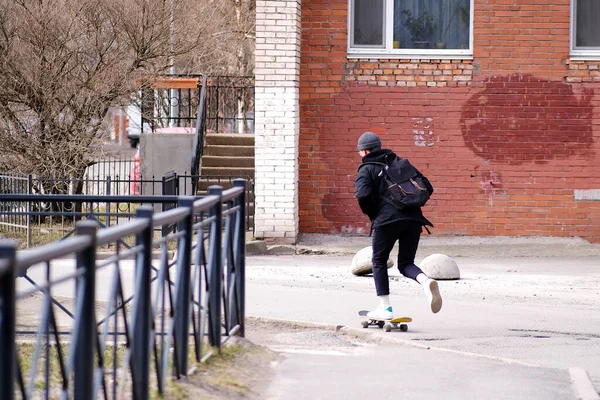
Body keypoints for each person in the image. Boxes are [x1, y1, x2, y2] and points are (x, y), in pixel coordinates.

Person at [354, 131, 442, 319]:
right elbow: (428, 186)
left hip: (386, 222)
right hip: (413, 220)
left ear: (364, 151)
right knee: (406, 263)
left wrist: (373, 213)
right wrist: (410, 206)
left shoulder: (366, 169)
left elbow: (362, 195)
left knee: (378, 261)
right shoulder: (400, 162)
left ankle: (385, 308)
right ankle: (426, 282)